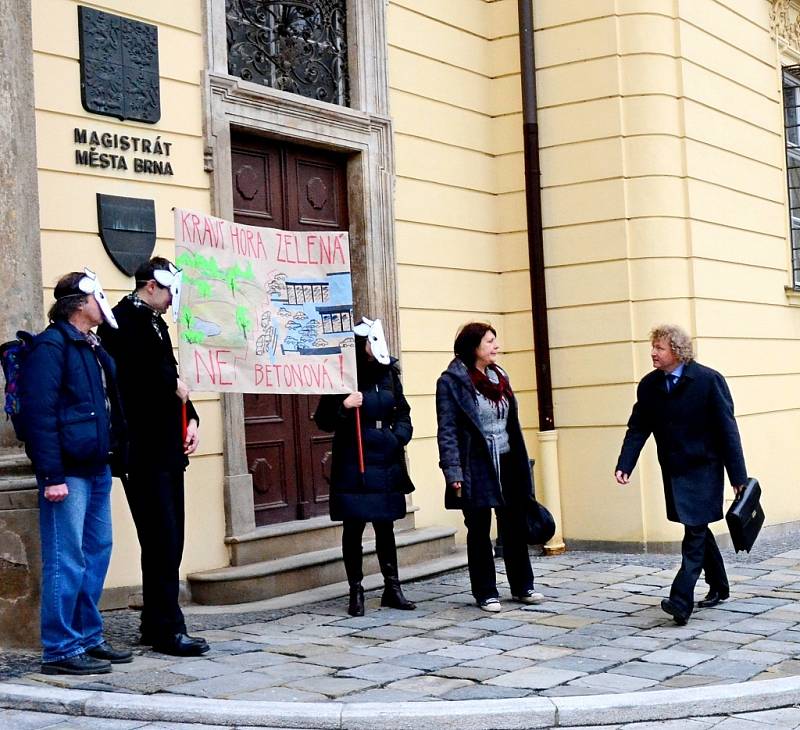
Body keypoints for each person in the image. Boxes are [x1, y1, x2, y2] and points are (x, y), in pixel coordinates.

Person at [21, 270, 131, 674]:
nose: (102, 304)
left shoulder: (89, 345)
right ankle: (60, 648)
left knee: (95, 554)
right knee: (65, 559)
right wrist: (51, 476)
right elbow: (40, 415)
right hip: (67, 473)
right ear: (81, 303)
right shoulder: (51, 347)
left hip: (96, 466)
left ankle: (87, 635)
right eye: (96, 298)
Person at [98, 257, 207, 657]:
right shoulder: (124, 322)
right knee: (161, 537)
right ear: (151, 286)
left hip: (165, 447)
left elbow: (171, 375)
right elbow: (134, 381)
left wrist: (190, 417)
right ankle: (167, 628)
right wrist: (173, 388)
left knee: (168, 537)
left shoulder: (154, 322)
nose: (171, 300)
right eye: (169, 292)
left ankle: (154, 621)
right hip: (143, 450)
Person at [615, 324, 747, 625]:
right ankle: (719, 585)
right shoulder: (649, 385)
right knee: (696, 525)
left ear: (676, 350)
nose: (652, 352)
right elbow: (638, 427)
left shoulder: (708, 381)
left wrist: (738, 476)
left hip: (704, 468)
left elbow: (728, 431)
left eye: (659, 348)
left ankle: (680, 599)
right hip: (674, 469)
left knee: (694, 530)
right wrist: (626, 463)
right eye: (653, 347)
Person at [435, 322, 543, 612]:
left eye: (495, 341)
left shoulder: (500, 376)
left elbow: (511, 424)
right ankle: (485, 592)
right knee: (479, 528)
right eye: (490, 342)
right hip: (476, 463)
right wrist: (453, 472)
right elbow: (447, 430)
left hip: (508, 460)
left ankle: (523, 586)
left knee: (515, 526)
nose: (496, 346)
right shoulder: (452, 382)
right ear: (474, 348)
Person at [314, 317, 416, 617]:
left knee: (385, 526)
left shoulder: (389, 374)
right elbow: (323, 420)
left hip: (384, 457)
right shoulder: (343, 376)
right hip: (353, 459)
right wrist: (344, 406)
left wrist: (397, 438)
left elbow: (403, 412)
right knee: (354, 527)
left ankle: (392, 587)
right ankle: (356, 590)